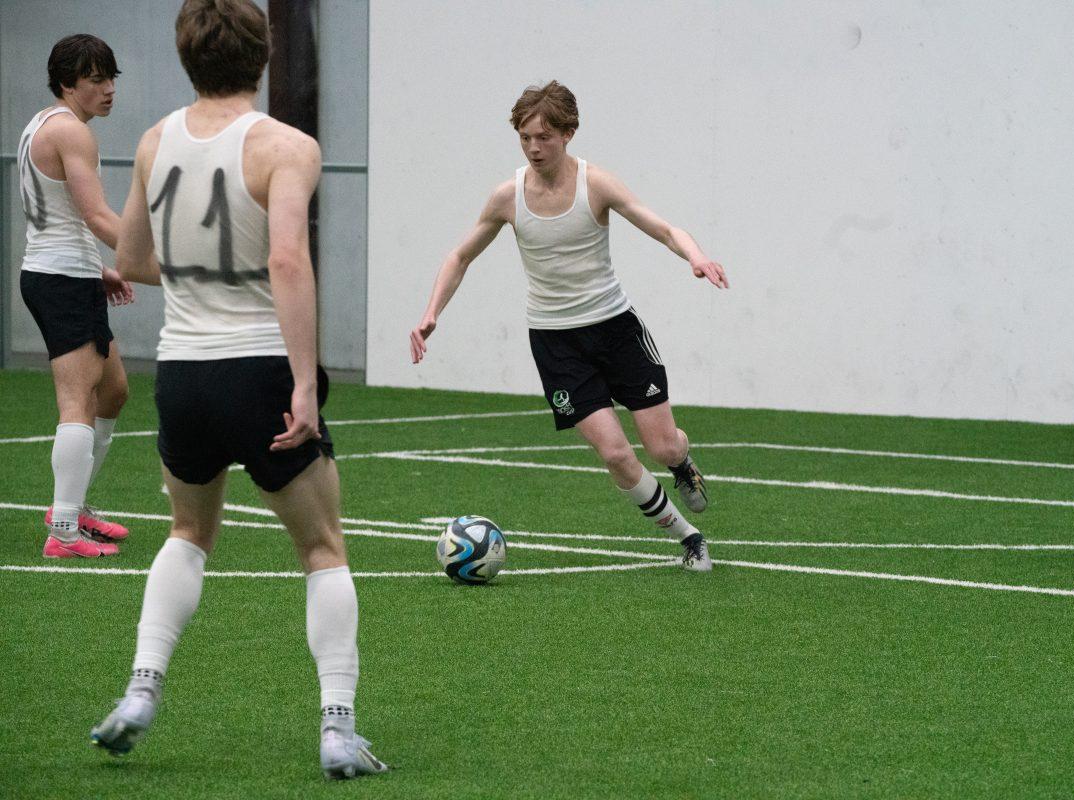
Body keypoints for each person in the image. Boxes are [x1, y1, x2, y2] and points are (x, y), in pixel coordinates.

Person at [89, 0, 385, 779]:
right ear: (262, 54)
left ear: (187, 57)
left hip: (182, 373)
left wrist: (194, 272)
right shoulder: (287, 146)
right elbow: (287, 260)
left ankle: (141, 691)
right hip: (257, 369)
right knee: (322, 547)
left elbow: (129, 257)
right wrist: (304, 384)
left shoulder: (155, 141)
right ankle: (337, 727)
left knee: (188, 533)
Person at [410, 81, 728, 572]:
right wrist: (432, 312)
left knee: (661, 445)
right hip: (556, 343)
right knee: (618, 455)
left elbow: (662, 227)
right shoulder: (506, 197)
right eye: (524, 138)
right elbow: (460, 254)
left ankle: (683, 464)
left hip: (616, 329)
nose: (534, 148)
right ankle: (689, 539)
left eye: (544, 137)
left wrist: (696, 256)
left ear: (568, 133)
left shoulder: (595, 184)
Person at [18, 34, 135, 558]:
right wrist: (159, 262)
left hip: (69, 273)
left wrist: (101, 269)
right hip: (60, 279)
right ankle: (63, 529)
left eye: (112, 78)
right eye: (95, 80)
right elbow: (96, 216)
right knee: (77, 400)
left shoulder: (47, 123)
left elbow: (63, 218)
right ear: (68, 83)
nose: (109, 90)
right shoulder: (71, 132)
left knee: (113, 391)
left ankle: (75, 505)